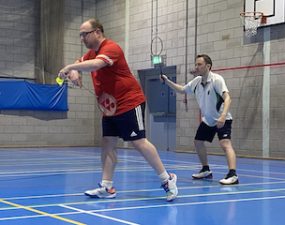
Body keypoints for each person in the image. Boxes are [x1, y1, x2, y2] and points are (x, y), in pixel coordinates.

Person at [58, 18, 178, 201]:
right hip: (110, 108)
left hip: (129, 102)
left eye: (85, 34)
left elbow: (96, 64)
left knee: (138, 142)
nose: (82, 39)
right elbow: (82, 61)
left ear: (97, 32)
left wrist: (70, 67)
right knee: (107, 142)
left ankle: (167, 179)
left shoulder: (111, 48)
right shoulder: (92, 53)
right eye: (80, 35)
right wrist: (75, 71)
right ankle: (107, 186)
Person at [161, 54, 239, 185]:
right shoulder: (196, 81)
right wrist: (167, 81)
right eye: (196, 64)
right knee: (198, 142)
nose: (196, 67)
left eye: (199, 64)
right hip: (208, 120)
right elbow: (182, 90)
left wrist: (223, 116)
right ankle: (206, 170)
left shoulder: (217, 80)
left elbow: (227, 98)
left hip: (222, 118)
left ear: (208, 66)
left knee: (225, 144)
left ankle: (233, 174)